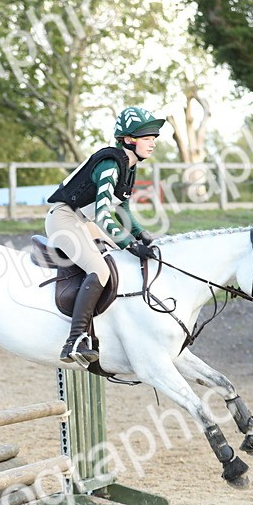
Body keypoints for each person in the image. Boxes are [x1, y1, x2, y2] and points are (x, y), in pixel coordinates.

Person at [45, 105, 164, 367]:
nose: (152, 143)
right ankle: (75, 339)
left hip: (82, 221)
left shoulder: (129, 167)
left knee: (121, 257)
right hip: (64, 220)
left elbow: (123, 210)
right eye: (147, 138)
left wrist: (143, 235)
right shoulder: (111, 165)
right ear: (128, 140)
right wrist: (130, 244)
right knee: (99, 269)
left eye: (153, 138)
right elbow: (102, 215)